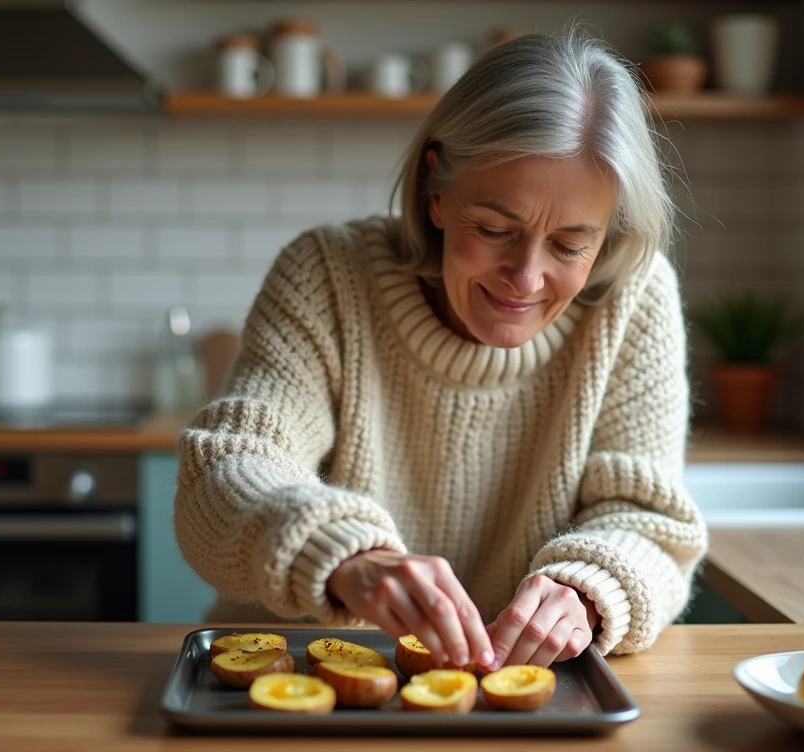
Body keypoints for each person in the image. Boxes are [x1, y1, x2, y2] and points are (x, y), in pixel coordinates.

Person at [174, 28, 707, 673]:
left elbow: (647, 522)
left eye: (570, 245)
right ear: (435, 191)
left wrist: (592, 587)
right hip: (285, 673)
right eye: (493, 229)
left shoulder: (634, 298)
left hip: (510, 697)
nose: (526, 277)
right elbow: (227, 467)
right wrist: (343, 554)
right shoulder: (326, 273)